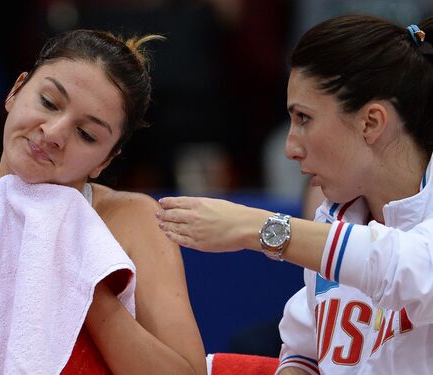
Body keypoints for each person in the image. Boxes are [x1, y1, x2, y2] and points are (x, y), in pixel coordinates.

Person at [0, 29, 206, 374]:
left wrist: (84, 281)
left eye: (86, 134)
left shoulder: (134, 221)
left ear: (105, 161)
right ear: (15, 91)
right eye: (49, 103)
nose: (53, 134)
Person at [157, 15, 433, 374]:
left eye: (304, 118)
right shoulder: (336, 217)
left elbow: (407, 269)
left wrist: (260, 227)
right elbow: (304, 351)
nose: (290, 147)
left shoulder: (337, 240)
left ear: (371, 122)